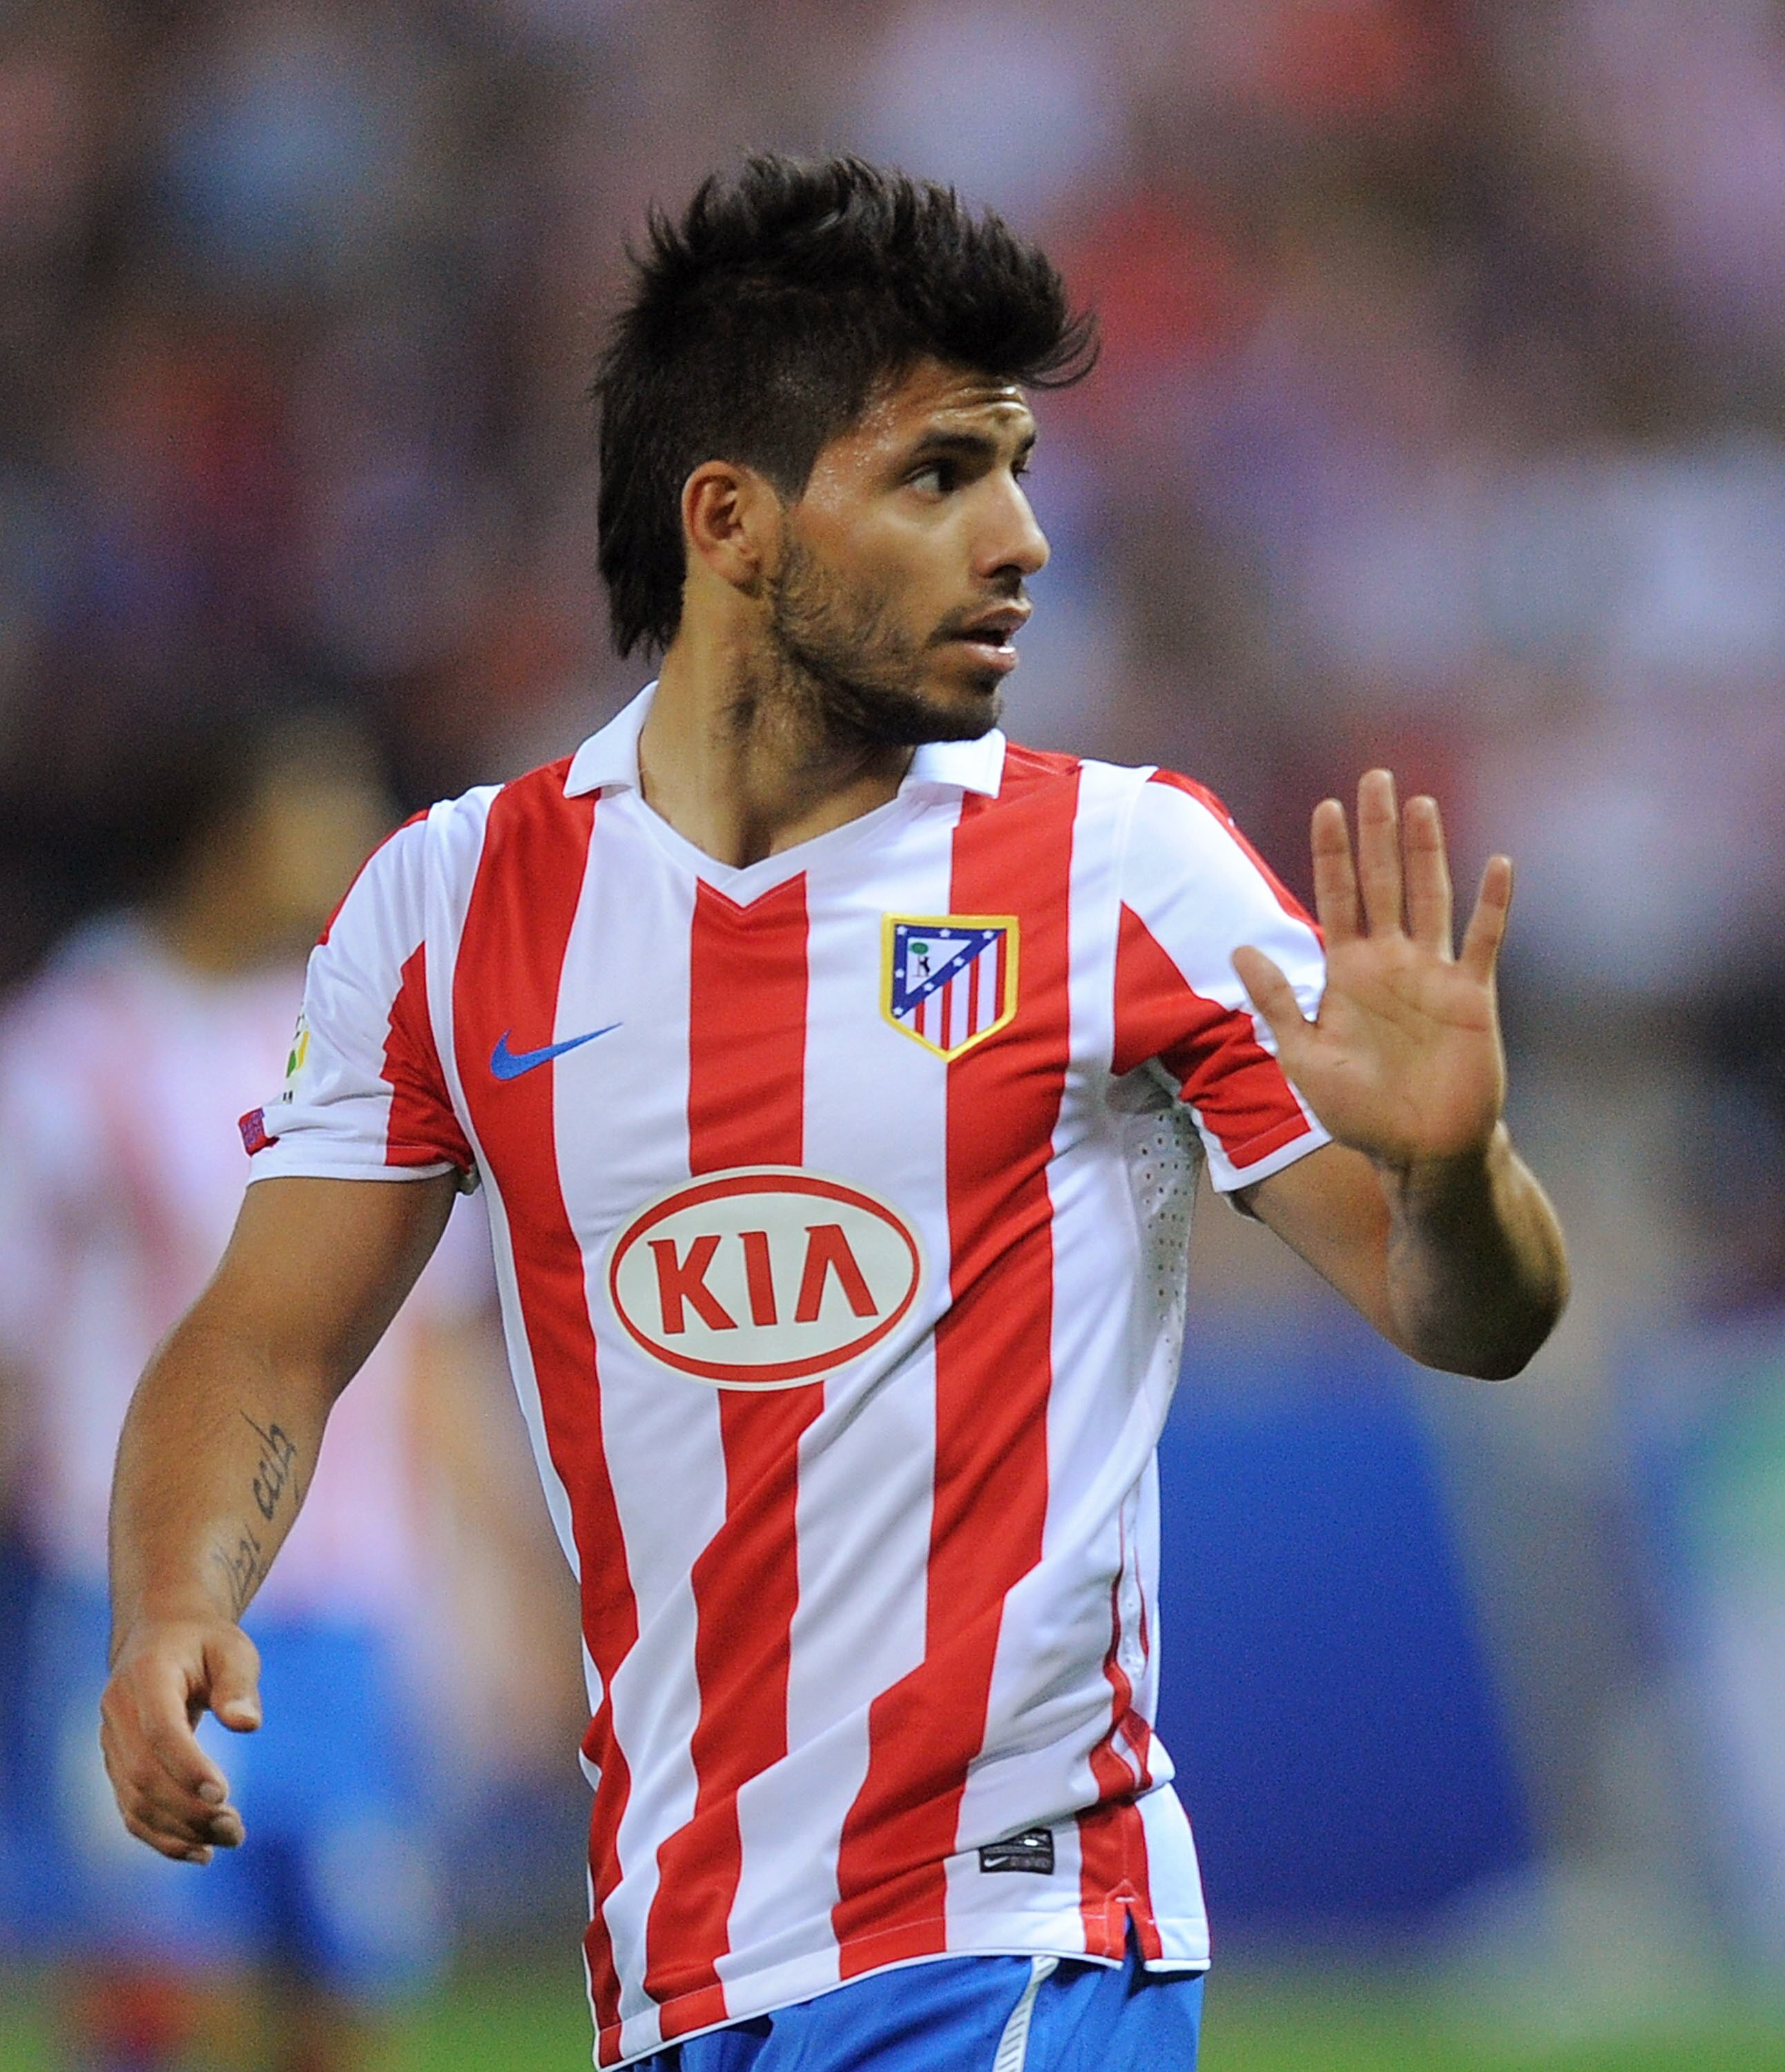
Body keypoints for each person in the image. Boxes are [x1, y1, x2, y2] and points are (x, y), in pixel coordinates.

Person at [99, 157, 1568, 2071]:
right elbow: (266, 1329)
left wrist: (1453, 1170)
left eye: (1022, 464)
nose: (1025, 536)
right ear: (732, 523)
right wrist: (170, 1602)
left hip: (1020, 1922)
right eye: (944, 475)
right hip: (669, 1964)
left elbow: (1469, 1319)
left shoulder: (1125, 872)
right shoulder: (452, 908)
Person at [0, 713, 498, 2072]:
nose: (353, 837)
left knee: (348, 2001)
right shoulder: (72, 1050)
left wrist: (499, 1571)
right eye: (319, 800)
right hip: (134, 1594)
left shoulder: (355, 1041)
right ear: (227, 825)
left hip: (355, 1617)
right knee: (159, 1997)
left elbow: (430, 1342)